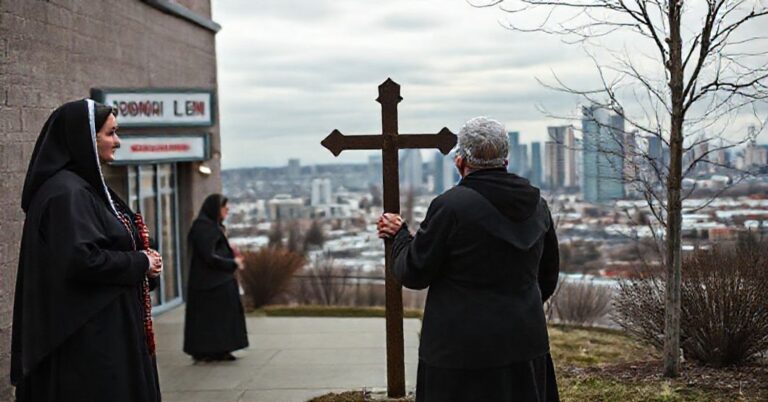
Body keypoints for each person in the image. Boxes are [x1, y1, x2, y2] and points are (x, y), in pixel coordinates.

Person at [378, 116, 560, 402]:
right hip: (525, 343)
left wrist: (399, 236)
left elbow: (414, 271)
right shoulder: (538, 205)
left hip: (459, 353)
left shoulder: (451, 207)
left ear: (460, 163)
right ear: (506, 161)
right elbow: (547, 278)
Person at [11, 99, 163, 401]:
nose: (117, 142)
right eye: (110, 133)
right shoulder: (67, 193)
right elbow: (82, 260)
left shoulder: (82, 189)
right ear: (85, 138)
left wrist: (144, 263)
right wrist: (140, 263)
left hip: (103, 332)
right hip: (89, 345)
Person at [183, 194, 249, 362]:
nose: (227, 211)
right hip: (210, 284)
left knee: (219, 319)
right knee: (213, 320)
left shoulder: (210, 226)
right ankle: (211, 350)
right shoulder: (204, 228)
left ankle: (219, 349)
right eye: (224, 208)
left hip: (215, 282)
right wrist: (232, 262)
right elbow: (209, 256)